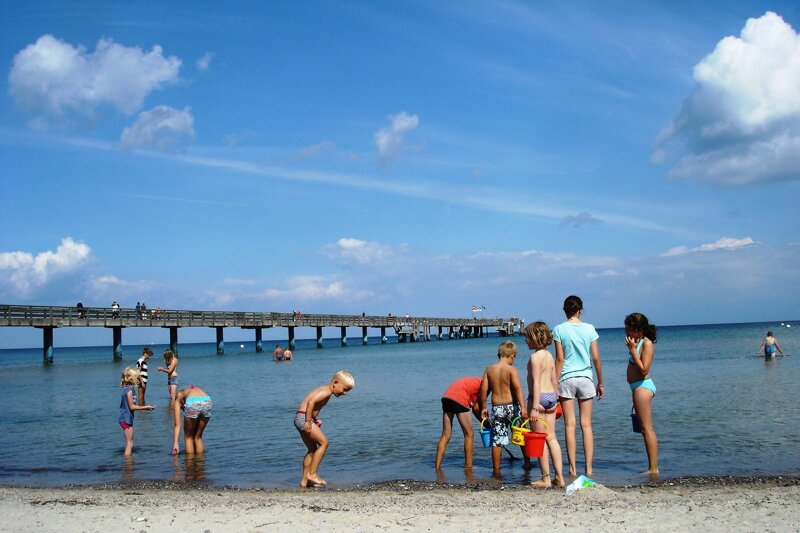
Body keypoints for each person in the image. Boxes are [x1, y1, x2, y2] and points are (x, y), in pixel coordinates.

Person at [553, 295, 604, 478]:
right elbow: (596, 358)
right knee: (586, 425)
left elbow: (559, 359)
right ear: (580, 310)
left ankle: (572, 469)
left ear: (565, 310)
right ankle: (589, 469)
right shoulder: (589, 328)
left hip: (566, 378)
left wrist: (554, 383)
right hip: (585, 377)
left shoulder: (559, 329)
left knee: (569, 425)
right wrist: (600, 382)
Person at [294, 370, 355, 487]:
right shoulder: (326, 391)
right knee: (324, 443)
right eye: (344, 389)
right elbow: (310, 402)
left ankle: (304, 482)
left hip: (300, 417)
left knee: (312, 450)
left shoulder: (325, 391)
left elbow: (311, 404)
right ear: (335, 382)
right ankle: (312, 474)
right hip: (303, 418)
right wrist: (307, 421)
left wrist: (314, 420)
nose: (345, 393)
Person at [525, 321, 565, 488]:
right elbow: (554, 380)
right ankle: (560, 478)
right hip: (550, 398)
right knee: (552, 438)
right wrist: (556, 401)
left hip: (538, 398)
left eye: (527, 337)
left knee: (540, 440)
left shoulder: (535, 358)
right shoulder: (549, 356)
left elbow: (536, 383)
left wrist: (534, 407)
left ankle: (546, 478)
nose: (526, 341)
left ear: (535, 338)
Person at [479, 341, 528, 476]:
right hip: (512, 407)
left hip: (497, 408)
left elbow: (483, 390)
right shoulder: (512, 370)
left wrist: (483, 407)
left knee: (498, 440)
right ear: (512, 356)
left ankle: (496, 470)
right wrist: (523, 408)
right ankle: (527, 463)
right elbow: (518, 389)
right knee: (520, 434)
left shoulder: (489, 369)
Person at [625, 312, 659, 477]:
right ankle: (651, 466)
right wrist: (632, 348)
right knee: (643, 429)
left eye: (630, 329)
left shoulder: (647, 344)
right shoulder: (637, 342)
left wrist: (632, 351)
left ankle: (653, 468)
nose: (627, 333)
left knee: (647, 428)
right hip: (637, 387)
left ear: (639, 330)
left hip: (643, 387)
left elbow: (644, 368)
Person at [435, 376, 482, 470]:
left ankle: (437, 467)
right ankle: (468, 467)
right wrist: (485, 423)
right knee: (469, 434)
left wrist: (483, 421)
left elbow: (475, 408)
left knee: (445, 435)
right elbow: (476, 408)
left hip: (446, 398)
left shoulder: (478, 380)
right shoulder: (486, 385)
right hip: (459, 399)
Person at [118, 368, 155, 456]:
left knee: (130, 443)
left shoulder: (126, 389)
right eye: (136, 377)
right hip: (126, 419)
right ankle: (128, 464)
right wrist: (146, 407)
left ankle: (129, 464)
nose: (138, 378)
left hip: (125, 418)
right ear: (132, 378)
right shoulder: (130, 390)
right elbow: (132, 407)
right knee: (129, 444)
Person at [172, 385, 212, 455]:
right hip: (207, 400)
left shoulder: (178, 400)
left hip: (193, 402)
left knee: (188, 437)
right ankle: (200, 462)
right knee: (198, 437)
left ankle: (189, 463)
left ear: (182, 402)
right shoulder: (190, 391)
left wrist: (175, 443)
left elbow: (177, 425)